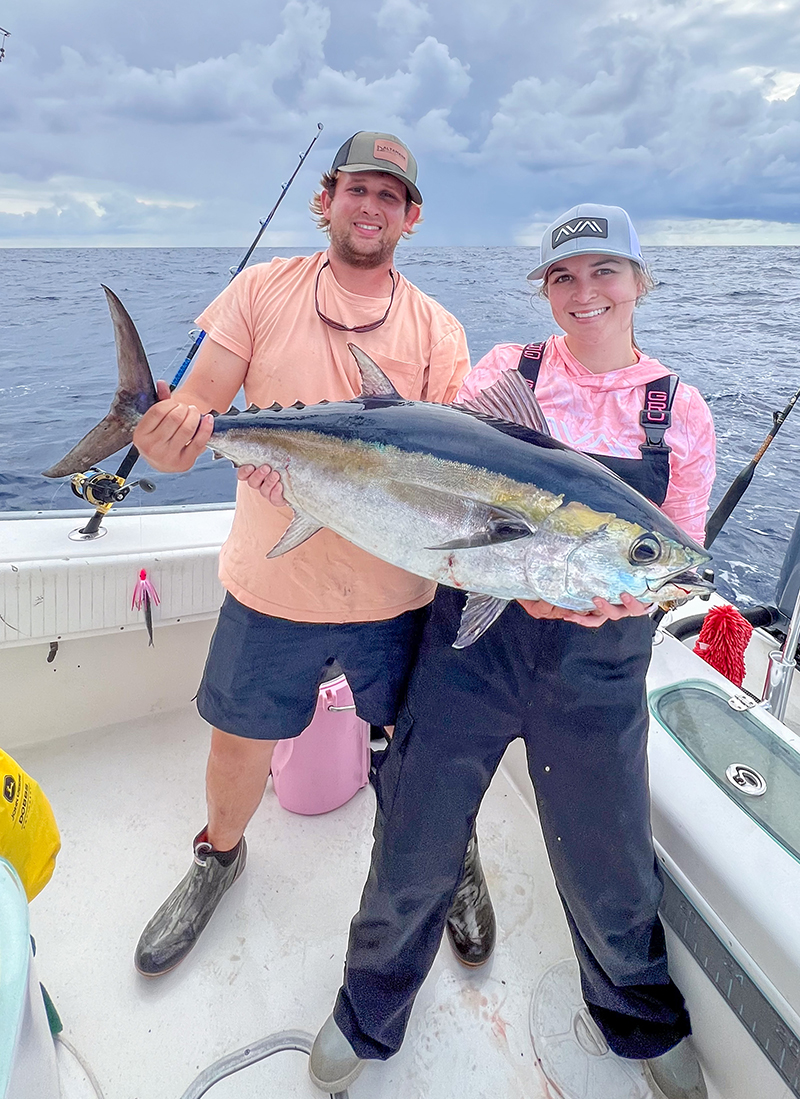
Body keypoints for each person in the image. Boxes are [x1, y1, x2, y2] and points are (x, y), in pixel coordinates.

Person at [308, 204, 716, 1099]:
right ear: (544, 290)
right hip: (472, 652)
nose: (585, 293)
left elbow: (675, 557)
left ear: (640, 282)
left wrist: (611, 589)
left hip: (598, 675)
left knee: (609, 864)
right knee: (413, 841)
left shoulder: (677, 412)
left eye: (605, 272)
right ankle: (366, 1010)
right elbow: (433, 483)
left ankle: (638, 1018)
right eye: (564, 277)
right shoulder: (507, 371)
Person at [130, 131, 490, 978]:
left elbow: (461, 469)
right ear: (325, 199)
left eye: (390, 196)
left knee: (418, 744)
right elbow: (190, 430)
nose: (372, 207)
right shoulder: (260, 290)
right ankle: (217, 857)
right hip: (272, 581)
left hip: (397, 592)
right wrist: (165, 435)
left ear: (412, 217)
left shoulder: (440, 330)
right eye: (358, 190)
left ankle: (449, 853)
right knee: (238, 739)